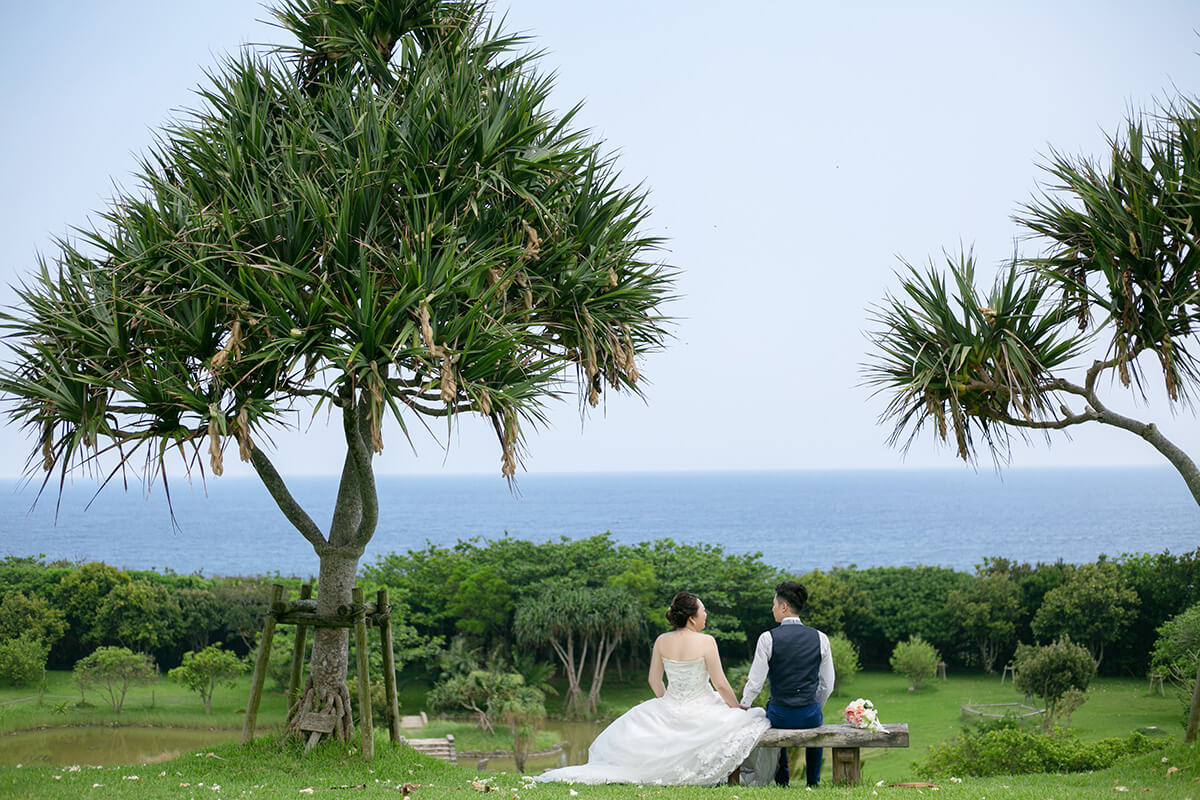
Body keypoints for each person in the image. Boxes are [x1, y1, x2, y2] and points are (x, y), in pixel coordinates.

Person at [534, 591, 770, 785]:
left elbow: (654, 681)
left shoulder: (661, 641)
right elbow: (720, 683)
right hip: (703, 705)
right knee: (747, 720)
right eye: (703, 610)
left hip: (671, 703)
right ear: (691, 618)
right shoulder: (706, 641)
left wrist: (668, 702)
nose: (705, 614)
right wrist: (735, 708)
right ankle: (730, 780)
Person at [739, 580, 835, 788]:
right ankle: (813, 782)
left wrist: (744, 704)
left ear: (784, 607)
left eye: (774, 604)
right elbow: (828, 684)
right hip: (809, 714)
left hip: (780, 714)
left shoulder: (767, 638)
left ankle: (782, 781)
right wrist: (814, 705)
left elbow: (756, 682)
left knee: (773, 715)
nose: (772, 609)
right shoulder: (821, 638)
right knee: (815, 721)